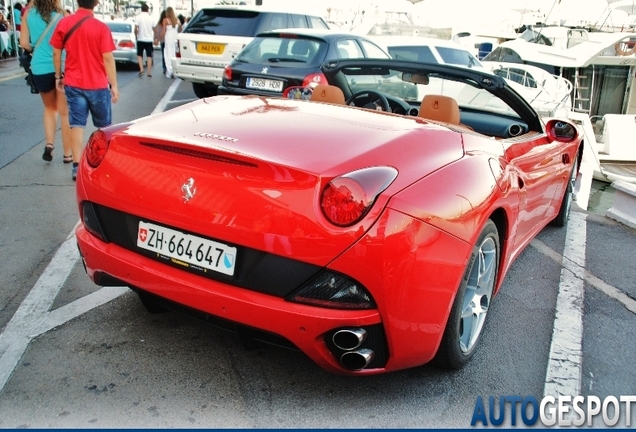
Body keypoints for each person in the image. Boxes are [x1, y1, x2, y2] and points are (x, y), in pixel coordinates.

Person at [50, 0, 119, 181]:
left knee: (77, 124)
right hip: (97, 84)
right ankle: (103, 163)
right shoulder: (100, 28)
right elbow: (108, 58)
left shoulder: (64, 23)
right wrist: (114, 85)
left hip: (73, 83)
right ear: (95, 4)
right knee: (104, 128)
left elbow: (56, 53)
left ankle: (76, 165)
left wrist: (58, 76)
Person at [19, 0, 71, 164]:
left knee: (49, 108)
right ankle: (67, 155)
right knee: (64, 112)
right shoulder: (61, 15)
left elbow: (24, 43)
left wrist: (36, 49)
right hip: (61, 66)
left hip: (39, 68)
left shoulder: (28, 14)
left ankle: (49, 144)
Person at [134, 3, 154, 77]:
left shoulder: (138, 17)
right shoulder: (151, 18)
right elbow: (154, 28)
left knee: (139, 54)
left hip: (140, 38)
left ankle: (141, 69)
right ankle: (149, 72)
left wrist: (136, 35)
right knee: (149, 55)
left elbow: (136, 28)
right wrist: (155, 38)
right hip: (149, 39)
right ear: (147, 10)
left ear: (141, 9)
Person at [160, 6, 180, 78]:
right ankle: (175, 71)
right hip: (175, 39)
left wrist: (158, 39)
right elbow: (180, 29)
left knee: (168, 55)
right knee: (175, 54)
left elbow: (163, 31)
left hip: (168, 39)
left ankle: (170, 71)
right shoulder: (177, 20)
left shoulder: (165, 20)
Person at [153, 9, 165, 75]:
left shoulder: (158, 24)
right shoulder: (169, 23)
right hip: (168, 41)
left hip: (162, 41)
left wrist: (156, 39)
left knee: (163, 55)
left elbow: (156, 32)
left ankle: (164, 68)